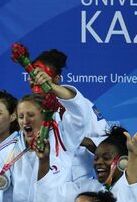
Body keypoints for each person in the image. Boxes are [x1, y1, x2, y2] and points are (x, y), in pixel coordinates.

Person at [32, 49, 109, 181]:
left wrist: (74, 139)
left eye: (42, 77)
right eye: (34, 77)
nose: (37, 82)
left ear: (57, 79)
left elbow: (106, 143)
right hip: (46, 185)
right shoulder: (29, 112)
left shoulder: (83, 105)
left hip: (80, 185)